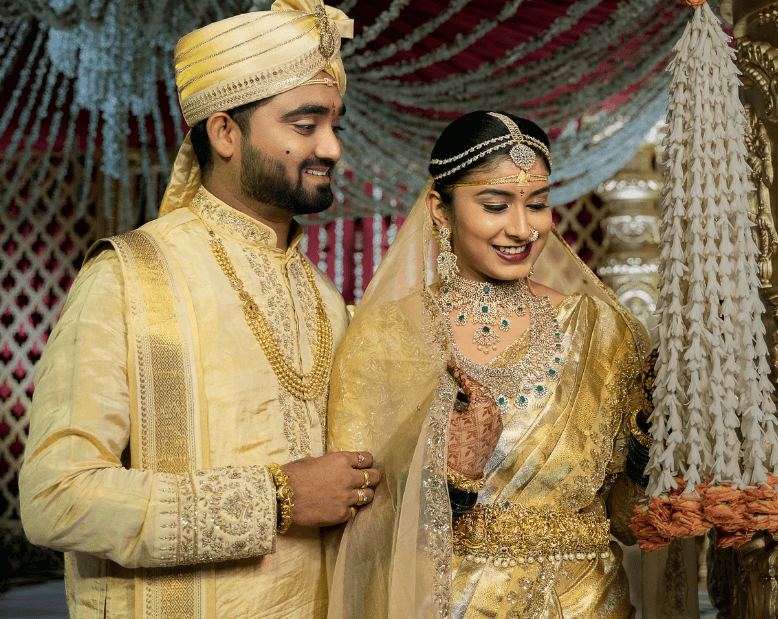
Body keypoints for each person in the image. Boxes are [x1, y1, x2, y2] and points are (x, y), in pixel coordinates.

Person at [19, 2, 380, 618]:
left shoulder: (326, 299)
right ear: (225, 133)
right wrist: (274, 498)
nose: (331, 147)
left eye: (335, 125)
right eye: (305, 125)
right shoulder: (129, 277)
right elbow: (56, 498)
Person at [326, 111, 653, 618]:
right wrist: (453, 481)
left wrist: (648, 440)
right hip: (447, 604)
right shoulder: (387, 336)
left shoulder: (601, 331)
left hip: (590, 604)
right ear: (440, 210)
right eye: (496, 205)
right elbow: (358, 529)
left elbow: (631, 523)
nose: (523, 229)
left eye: (537, 204)